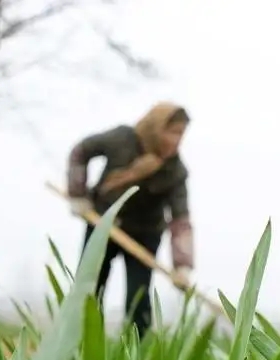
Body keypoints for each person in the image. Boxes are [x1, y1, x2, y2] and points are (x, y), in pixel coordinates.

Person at [66, 101, 195, 338]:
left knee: (139, 297)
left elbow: (180, 218)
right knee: (90, 288)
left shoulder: (175, 171)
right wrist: (77, 194)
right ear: (156, 128)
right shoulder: (121, 140)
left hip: (144, 235)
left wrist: (182, 265)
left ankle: (138, 347)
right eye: (172, 132)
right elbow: (81, 151)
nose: (176, 140)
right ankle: (82, 341)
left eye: (181, 134)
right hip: (103, 223)